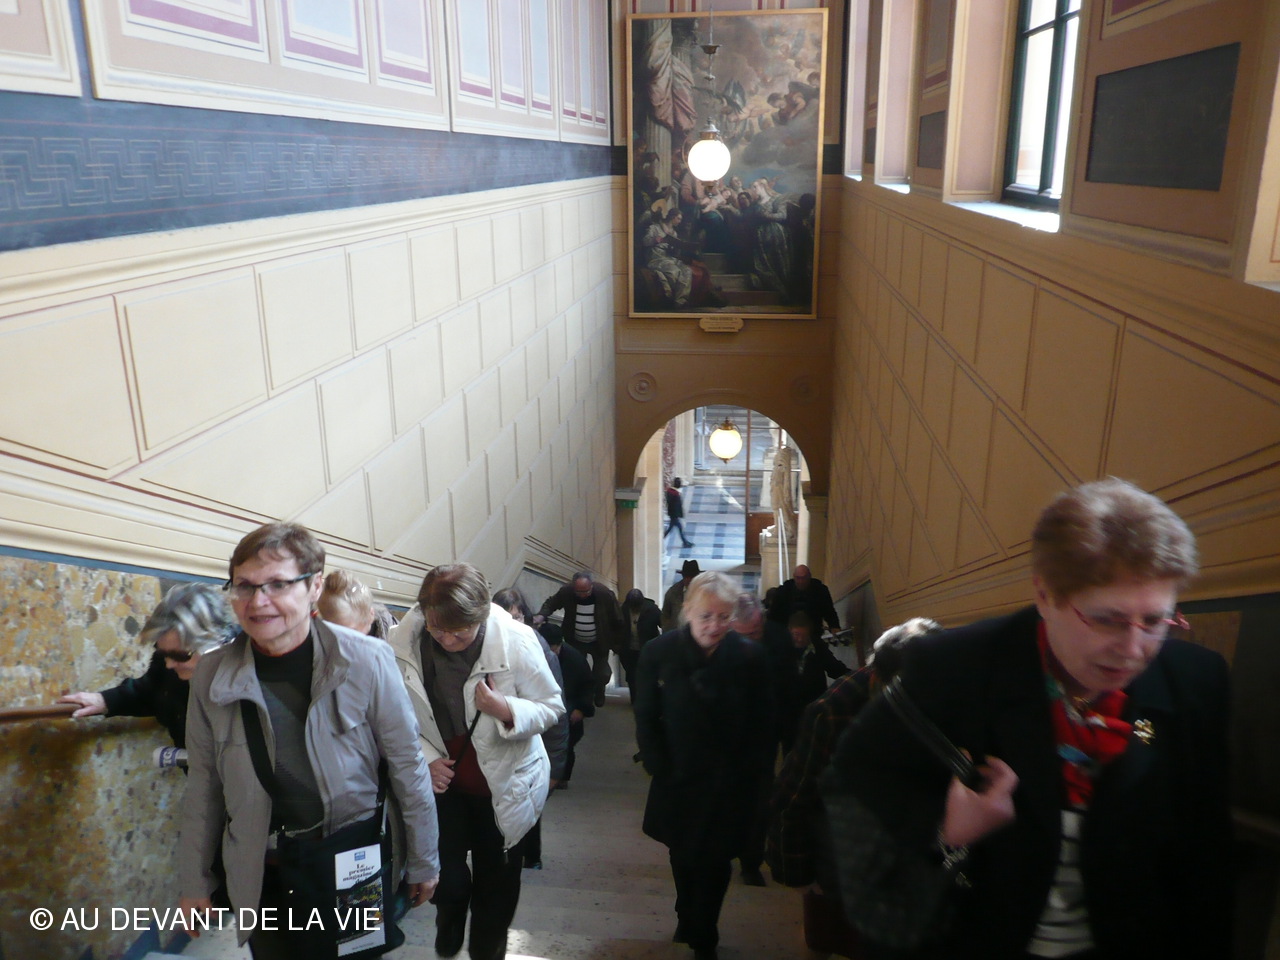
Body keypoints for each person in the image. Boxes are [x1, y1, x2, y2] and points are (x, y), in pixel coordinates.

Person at [823, 479, 1233, 960]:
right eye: (1108, 619)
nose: (1133, 648)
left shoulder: (1196, 682)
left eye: (1155, 620)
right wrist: (944, 829)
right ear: (1045, 594)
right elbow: (850, 793)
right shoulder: (950, 669)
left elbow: (1205, 855)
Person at [178, 522, 440, 959]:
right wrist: (194, 880)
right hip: (265, 869)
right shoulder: (212, 672)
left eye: (278, 584)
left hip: (350, 859)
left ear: (315, 586)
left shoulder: (367, 660)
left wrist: (424, 860)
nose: (258, 601)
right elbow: (204, 784)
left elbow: (407, 766)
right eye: (244, 586)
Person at [391, 564, 563, 960]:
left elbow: (551, 706)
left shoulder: (516, 641)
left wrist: (507, 709)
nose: (448, 639)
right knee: (447, 880)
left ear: (481, 615)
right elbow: (392, 717)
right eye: (438, 629)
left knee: (496, 888)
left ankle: (488, 950)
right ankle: (449, 919)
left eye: (460, 631)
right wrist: (425, 758)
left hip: (505, 786)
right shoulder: (402, 643)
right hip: (444, 785)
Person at [766, 618, 940, 956]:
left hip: (905, 858)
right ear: (877, 676)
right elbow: (794, 796)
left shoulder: (942, 695)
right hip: (841, 853)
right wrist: (797, 873)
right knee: (833, 937)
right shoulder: (833, 710)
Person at [635, 572, 776, 960]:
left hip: (729, 781)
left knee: (717, 859)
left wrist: (756, 777)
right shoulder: (659, 652)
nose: (715, 626)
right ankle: (687, 911)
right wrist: (658, 764)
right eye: (706, 616)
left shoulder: (750, 657)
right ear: (688, 612)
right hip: (677, 776)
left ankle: (704, 934)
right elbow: (645, 714)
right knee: (682, 853)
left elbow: (764, 723)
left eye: (724, 617)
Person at [59, 581, 238, 749]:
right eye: (163, 653)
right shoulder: (167, 666)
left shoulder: (247, 668)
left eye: (180, 655)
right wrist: (104, 700)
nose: (169, 664)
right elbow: (149, 692)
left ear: (218, 643)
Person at [492, 586, 569, 869]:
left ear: (525, 617)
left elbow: (556, 712)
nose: (511, 624)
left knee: (528, 801)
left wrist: (556, 768)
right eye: (505, 617)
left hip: (530, 744)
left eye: (517, 617)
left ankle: (530, 855)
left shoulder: (540, 652)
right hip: (497, 746)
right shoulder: (485, 650)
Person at [535, 571, 623, 708]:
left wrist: (617, 643)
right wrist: (541, 615)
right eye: (579, 592)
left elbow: (617, 618)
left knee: (602, 673)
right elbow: (551, 603)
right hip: (575, 640)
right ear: (574, 587)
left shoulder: (604, 594)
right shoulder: (567, 592)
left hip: (600, 641)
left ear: (591, 586)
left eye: (586, 591)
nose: (582, 595)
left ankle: (599, 690)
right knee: (576, 670)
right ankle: (578, 700)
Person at [770, 612, 849, 754]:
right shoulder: (780, 650)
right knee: (792, 750)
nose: (800, 639)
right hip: (789, 714)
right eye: (796, 634)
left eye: (804, 635)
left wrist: (857, 675)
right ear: (789, 631)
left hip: (815, 710)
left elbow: (835, 669)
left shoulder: (817, 647)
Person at [541, 622, 594, 786]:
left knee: (566, 743)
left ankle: (561, 777)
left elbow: (587, 685)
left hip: (569, 705)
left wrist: (580, 709)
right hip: (545, 704)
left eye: (554, 650)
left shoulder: (574, 659)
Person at [316, 568, 397, 639]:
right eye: (333, 632)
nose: (341, 640)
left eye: (350, 632)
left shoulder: (393, 635)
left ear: (370, 615)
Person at [767, 564, 841, 635]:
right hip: (787, 634)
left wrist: (834, 626)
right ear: (794, 577)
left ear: (809, 577)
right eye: (798, 578)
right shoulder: (783, 591)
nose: (801, 581)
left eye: (804, 578)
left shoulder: (820, 590)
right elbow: (773, 615)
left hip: (813, 633)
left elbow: (829, 612)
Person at [618, 587, 662, 699]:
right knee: (631, 675)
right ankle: (635, 699)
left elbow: (663, 623)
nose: (634, 609)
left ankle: (647, 697)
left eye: (636, 606)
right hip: (628, 648)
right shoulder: (623, 610)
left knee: (648, 674)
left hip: (647, 648)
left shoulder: (652, 610)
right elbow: (616, 627)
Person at [661, 559, 701, 631]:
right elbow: (665, 615)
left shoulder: (705, 591)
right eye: (686, 577)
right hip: (678, 632)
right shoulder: (673, 592)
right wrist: (668, 630)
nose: (689, 580)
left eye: (692, 577)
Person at [665, 477, 695, 547]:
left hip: (672, 514)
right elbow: (676, 505)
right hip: (674, 515)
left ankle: (685, 542)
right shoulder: (675, 493)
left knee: (672, 528)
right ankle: (685, 543)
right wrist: (679, 514)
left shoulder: (670, 491)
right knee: (679, 528)